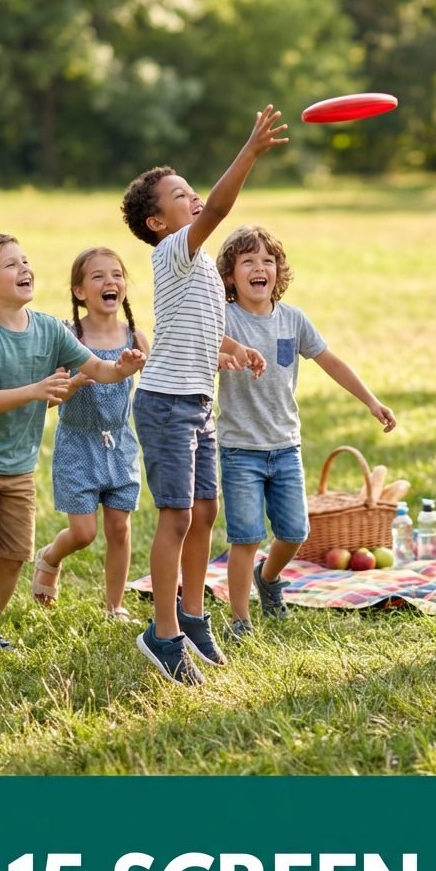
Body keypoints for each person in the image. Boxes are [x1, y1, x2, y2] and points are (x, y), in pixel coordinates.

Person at [121, 105, 287, 686]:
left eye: (191, 190)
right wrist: (250, 150)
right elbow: (220, 208)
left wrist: (231, 350)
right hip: (165, 403)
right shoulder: (173, 251)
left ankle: (192, 615)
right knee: (176, 518)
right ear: (157, 223)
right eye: (180, 194)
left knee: (206, 513)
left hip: (197, 403)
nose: (193, 198)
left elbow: (192, 328)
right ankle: (161, 634)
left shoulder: (196, 273)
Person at [0, 234, 145, 649]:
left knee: (15, 555)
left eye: (25, 261)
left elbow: (98, 372)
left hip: (19, 463)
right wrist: (37, 389)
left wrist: (122, 368)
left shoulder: (51, 329)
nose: (25, 269)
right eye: (12, 265)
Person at [215, 224, 396, 641]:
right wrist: (225, 357)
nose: (260, 268)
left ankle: (269, 577)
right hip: (240, 449)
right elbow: (202, 349)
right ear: (230, 276)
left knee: (295, 532)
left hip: (285, 448)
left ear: (279, 271)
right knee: (245, 537)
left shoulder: (293, 319)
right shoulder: (224, 320)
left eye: (268, 261)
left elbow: (331, 361)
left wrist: (370, 401)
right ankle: (239, 620)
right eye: (248, 262)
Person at [31, 248, 150, 619]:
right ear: (79, 291)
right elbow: (45, 400)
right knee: (83, 533)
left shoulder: (135, 337)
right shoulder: (68, 338)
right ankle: (49, 557)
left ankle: (115, 605)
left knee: (119, 527)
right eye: (98, 276)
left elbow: (157, 387)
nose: (109, 282)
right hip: (77, 444)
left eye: (116, 274)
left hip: (120, 443)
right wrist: (79, 380)